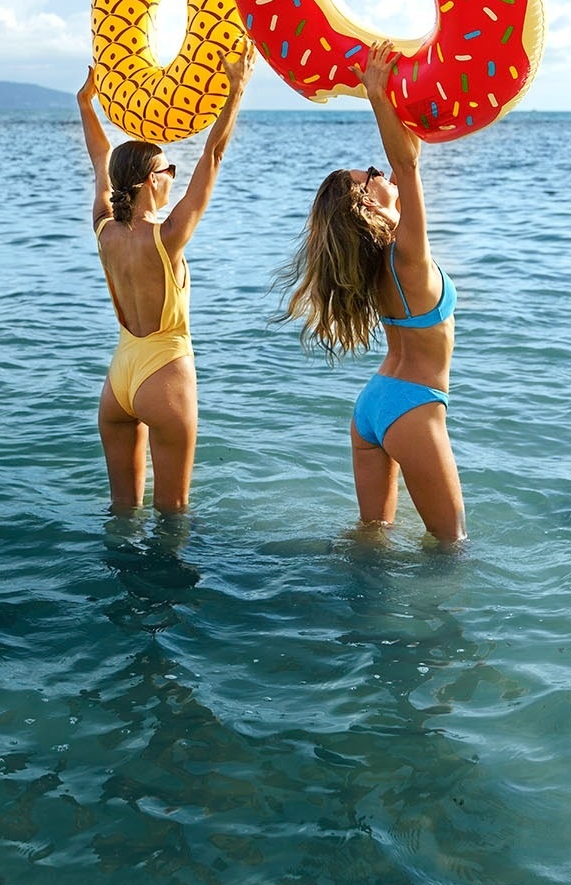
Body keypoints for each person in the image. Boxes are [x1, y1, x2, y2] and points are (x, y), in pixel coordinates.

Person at [281, 39, 466, 542]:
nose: (383, 172)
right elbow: (406, 167)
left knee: (371, 541)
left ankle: (356, 617)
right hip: (413, 407)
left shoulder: (377, 261)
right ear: (366, 200)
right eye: (373, 175)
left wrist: (401, 99)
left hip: (374, 406)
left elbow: (407, 161)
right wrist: (376, 93)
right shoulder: (407, 257)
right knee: (450, 549)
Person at [77, 40, 255, 512]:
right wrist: (237, 90)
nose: (175, 172)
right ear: (152, 181)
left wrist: (84, 103)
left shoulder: (104, 230)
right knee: (173, 516)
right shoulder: (169, 234)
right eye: (168, 168)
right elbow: (213, 157)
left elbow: (100, 160)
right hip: (165, 376)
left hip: (118, 382)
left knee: (122, 513)